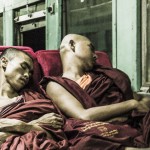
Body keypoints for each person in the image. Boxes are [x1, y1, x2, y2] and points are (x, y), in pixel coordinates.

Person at [40, 34, 150, 150]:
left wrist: (140, 102)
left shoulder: (104, 75)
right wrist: (132, 104)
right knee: (84, 143)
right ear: (72, 45)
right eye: (90, 48)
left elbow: (132, 98)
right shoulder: (55, 84)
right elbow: (83, 115)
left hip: (130, 123)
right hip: (95, 129)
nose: (95, 56)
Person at [0, 48, 68, 149]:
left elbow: (56, 136)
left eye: (30, 73)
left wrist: (25, 127)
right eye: (23, 67)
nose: (27, 75)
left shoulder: (34, 100)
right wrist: (30, 125)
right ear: (4, 62)